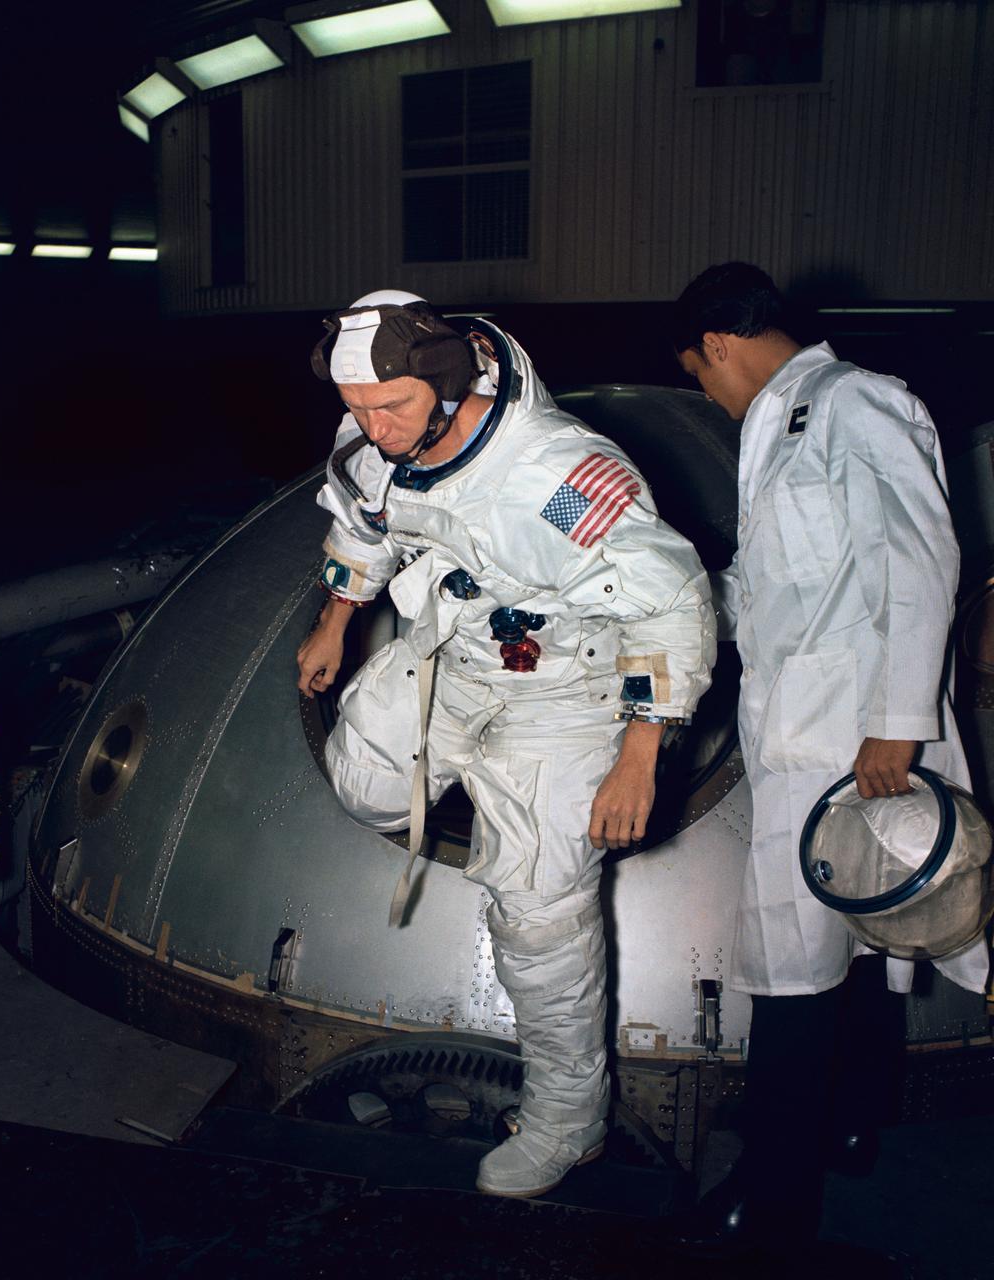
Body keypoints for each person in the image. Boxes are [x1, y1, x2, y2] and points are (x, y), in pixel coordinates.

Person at [297, 289, 716, 1197]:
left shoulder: (558, 477)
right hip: (456, 659)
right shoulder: (374, 441)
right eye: (357, 408)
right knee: (364, 783)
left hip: (568, 696)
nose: (374, 426)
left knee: (539, 916)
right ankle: (463, 767)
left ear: (447, 384)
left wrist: (639, 753)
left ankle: (569, 1121)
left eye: (390, 406)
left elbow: (672, 602)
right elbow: (363, 523)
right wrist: (336, 620)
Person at [670, 262, 988, 1251]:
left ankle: (773, 1193)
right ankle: (850, 1123)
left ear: (717, 344)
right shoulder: (776, 426)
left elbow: (922, 556)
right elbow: (767, 589)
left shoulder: (856, 401)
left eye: (699, 375)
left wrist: (897, 718)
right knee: (855, 934)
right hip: (802, 728)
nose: (706, 395)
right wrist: (678, 606)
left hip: (856, 729)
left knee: (793, 961)